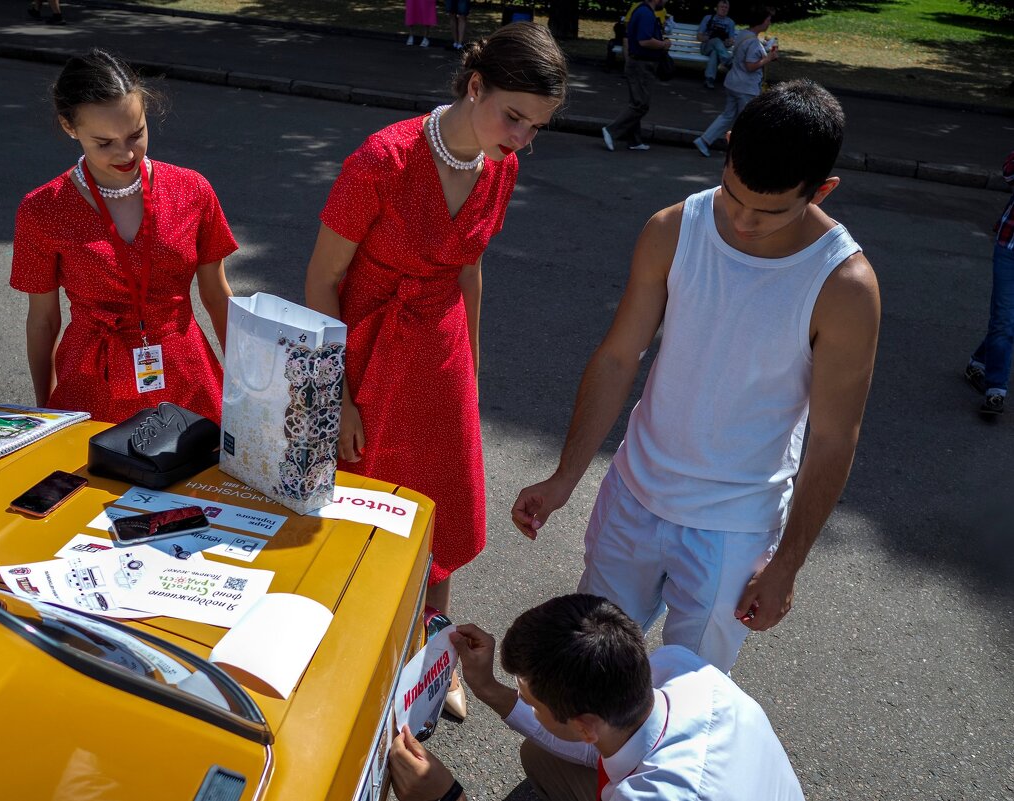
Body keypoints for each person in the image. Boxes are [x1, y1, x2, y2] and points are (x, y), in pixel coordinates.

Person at [512, 80, 881, 674]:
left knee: (687, 698)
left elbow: (835, 437)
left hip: (732, 530)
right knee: (587, 676)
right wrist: (565, 477)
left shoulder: (845, 287)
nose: (742, 221)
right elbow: (617, 357)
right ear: (728, 146)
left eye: (770, 211)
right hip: (633, 497)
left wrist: (787, 563)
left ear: (823, 190)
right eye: (734, 196)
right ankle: (577, 768)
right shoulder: (673, 228)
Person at [304, 23, 568, 717]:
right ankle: (351, 650)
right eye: (513, 116)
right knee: (357, 506)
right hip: (365, 353)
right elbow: (322, 280)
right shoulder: (381, 161)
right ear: (474, 85)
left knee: (440, 503)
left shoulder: (500, 167)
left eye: (536, 127)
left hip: (440, 351)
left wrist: (471, 370)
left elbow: (468, 267)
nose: (521, 138)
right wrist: (337, 398)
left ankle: (434, 650)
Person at [388, 594, 804, 801]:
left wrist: (446, 797)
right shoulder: (677, 668)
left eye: (533, 702)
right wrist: (488, 689)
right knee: (540, 757)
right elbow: (597, 745)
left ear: (586, 726)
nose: (524, 701)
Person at [11, 49, 237, 425]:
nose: (125, 153)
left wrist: (248, 387)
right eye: (104, 142)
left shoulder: (193, 190)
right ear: (70, 127)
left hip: (186, 376)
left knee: (196, 482)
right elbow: (43, 320)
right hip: (91, 380)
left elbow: (218, 297)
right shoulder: (42, 209)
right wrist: (44, 407)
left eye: (136, 134)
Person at [964, 148, 1014, 417]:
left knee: (1009, 322)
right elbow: (1009, 174)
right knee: (1004, 320)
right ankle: (996, 390)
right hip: (1010, 247)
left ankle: (978, 361)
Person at [693, 6, 776, 158]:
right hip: (746, 87)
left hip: (732, 83)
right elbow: (750, 66)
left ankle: (704, 140)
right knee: (747, 121)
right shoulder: (752, 42)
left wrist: (764, 50)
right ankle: (742, 152)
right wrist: (768, 58)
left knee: (728, 115)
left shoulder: (744, 34)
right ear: (761, 22)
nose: (769, 23)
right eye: (768, 20)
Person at [601, 0, 672, 153]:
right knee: (640, 104)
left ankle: (634, 140)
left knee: (636, 101)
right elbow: (645, 41)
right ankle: (611, 131)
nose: (666, 1)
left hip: (638, 63)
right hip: (642, 65)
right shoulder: (646, 13)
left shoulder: (641, 10)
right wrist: (663, 44)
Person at [696, 0, 736, 89]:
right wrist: (707, 38)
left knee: (715, 52)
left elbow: (730, 41)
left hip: (719, 49)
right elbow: (699, 36)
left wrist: (728, 42)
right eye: (722, 7)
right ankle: (728, 62)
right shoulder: (708, 18)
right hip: (706, 46)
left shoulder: (730, 23)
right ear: (717, 8)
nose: (724, 9)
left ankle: (709, 80)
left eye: (726, 7)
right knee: (716, 40)